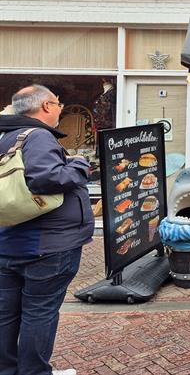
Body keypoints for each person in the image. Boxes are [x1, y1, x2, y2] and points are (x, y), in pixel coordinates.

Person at [0, 85, 93, 375]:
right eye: (58, 103)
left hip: (8, 243)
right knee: (39, 313)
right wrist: (79, 165)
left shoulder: (5, 137)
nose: (61, 109)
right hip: (46, 246)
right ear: (45, 106)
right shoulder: (38, 136)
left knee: (6, 314)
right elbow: (47, 179)